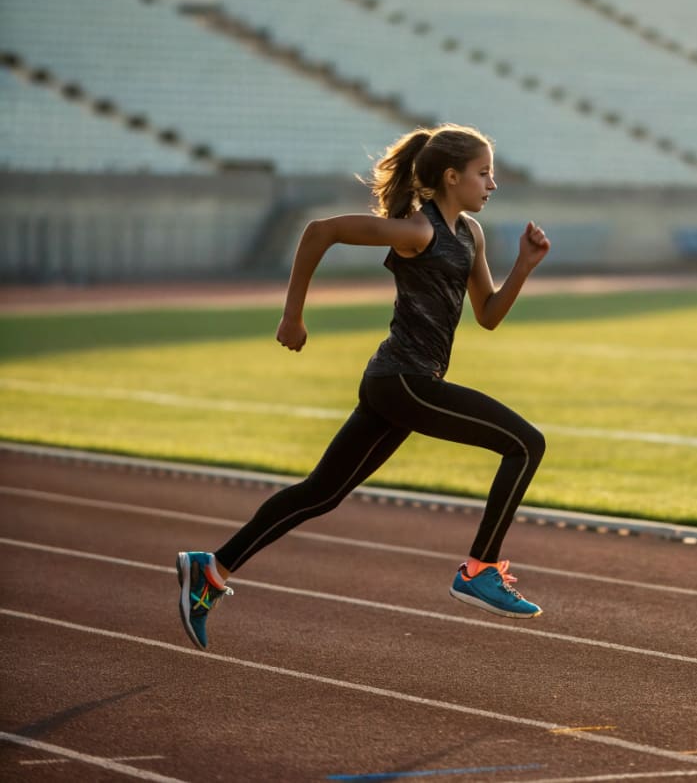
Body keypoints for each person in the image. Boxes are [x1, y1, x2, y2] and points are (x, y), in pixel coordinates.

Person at [176, 123, 551, 650]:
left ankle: (210, 570)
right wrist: (292, 317)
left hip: (398, 384)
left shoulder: (471, 234)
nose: (493, 184)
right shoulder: (417, 232)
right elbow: (318, 232)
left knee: (320, 493)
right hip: (404, 380)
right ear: (451, 177)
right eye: (484, 173)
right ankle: (478, 569)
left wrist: (525, 268)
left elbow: (487, 315)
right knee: (525, 443)